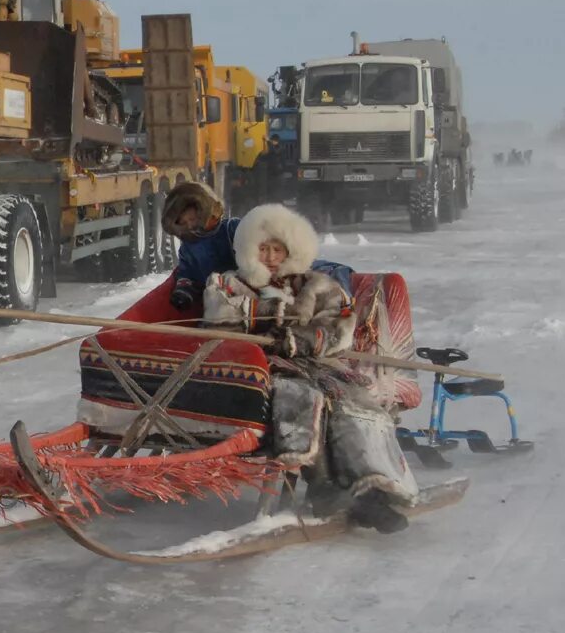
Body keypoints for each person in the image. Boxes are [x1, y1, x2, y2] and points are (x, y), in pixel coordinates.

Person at [200, 203, 417, 533]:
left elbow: (339, 324)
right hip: (262, 368)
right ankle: (326, 489)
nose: (271, 256)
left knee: (352, 399)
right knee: (304, 396)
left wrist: (307, 339)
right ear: (248, 249)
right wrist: (270, 322)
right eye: (263, 248)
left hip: (315, 363)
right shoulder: (228, 285)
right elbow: (220, 322)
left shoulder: (316, 285)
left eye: (278, 249)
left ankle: (370, 487)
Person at [162, 181, 353, 312]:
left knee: (315, 272)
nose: (190, 226)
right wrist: (184, 291)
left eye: (193, 219)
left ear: (207, 210)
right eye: (183, 223)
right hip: (223, 291)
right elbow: (187, 272)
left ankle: (342, 288)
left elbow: (259, 244)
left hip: (254, 279)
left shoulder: (231, 229)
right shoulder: (189, 246)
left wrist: (267, 265)